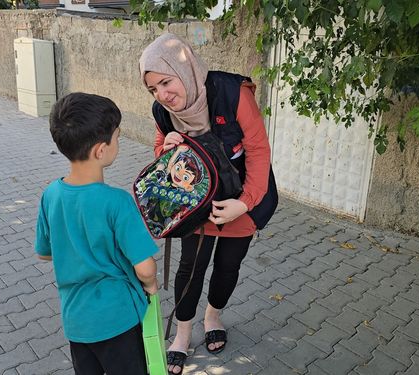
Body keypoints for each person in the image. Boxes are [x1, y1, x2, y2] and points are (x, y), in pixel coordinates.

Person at [139, 33, 278, 375]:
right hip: (195, 203)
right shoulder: (163, 111)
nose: (163, 95)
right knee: (191, 267)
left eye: (167, 82)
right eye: (154, 89)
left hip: (241, 199)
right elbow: (160, 150)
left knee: (228, 266)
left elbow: (259, 151)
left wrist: (244, 204)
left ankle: (213, 316)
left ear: (183, 69)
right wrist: (166, 148)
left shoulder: (231, 93)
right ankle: (183, 333)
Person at [34, 92, 159, 375]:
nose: (119, 143)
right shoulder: (117, 202)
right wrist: (151, 286)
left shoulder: (50, 194)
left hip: (76, 320)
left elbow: (43, 252)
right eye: (117, 137)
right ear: (101, 150)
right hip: (118, 319)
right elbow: (145, 267)